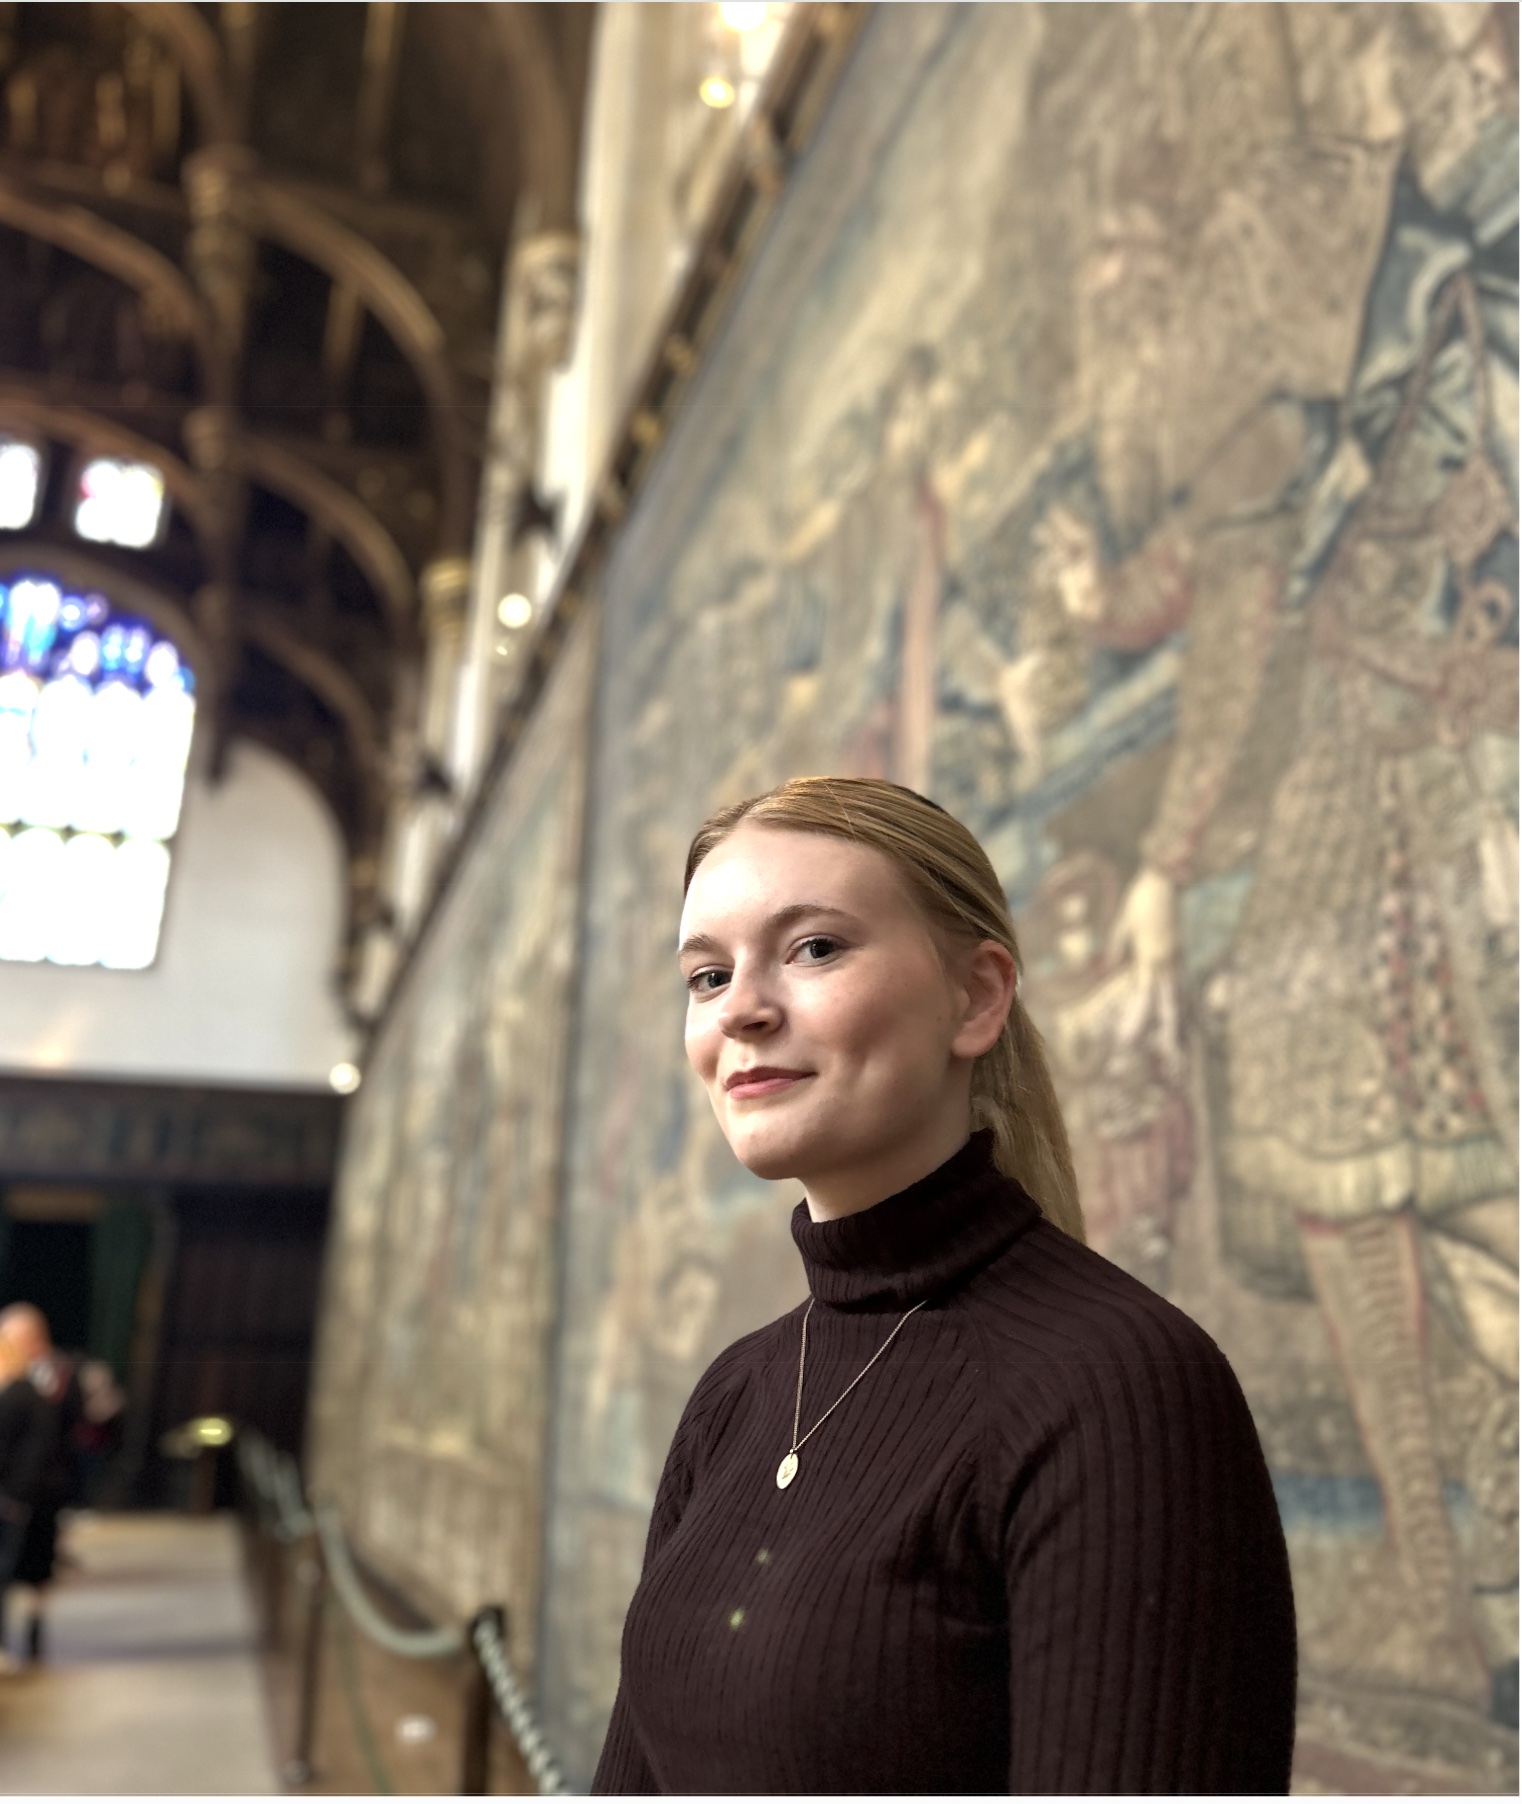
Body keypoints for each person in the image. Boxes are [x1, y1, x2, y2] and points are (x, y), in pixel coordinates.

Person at [592, 776, 1296, 1795]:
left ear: (976, 997)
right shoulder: (735, 1394)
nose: (741, 1008)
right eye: (706, 975)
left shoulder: (1117, 1386)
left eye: (814, 948)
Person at [0, 1304, 83, 1664]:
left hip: (40, 1487)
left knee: (35, 1565)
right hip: (17, 1486)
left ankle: (33, 1631)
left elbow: (59, 1431)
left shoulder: (58, 1374)